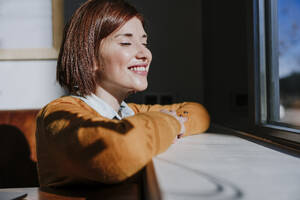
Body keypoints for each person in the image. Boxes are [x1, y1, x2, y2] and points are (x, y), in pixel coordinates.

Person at [35, 0, 210, 187]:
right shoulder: (58, 113)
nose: (146, 54)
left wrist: (169, 123)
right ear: (89, 56)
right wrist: (173, 122)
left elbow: (198, 112)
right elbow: (119, 151)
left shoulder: (128, 112)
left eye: (144, 42)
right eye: (126, 43)